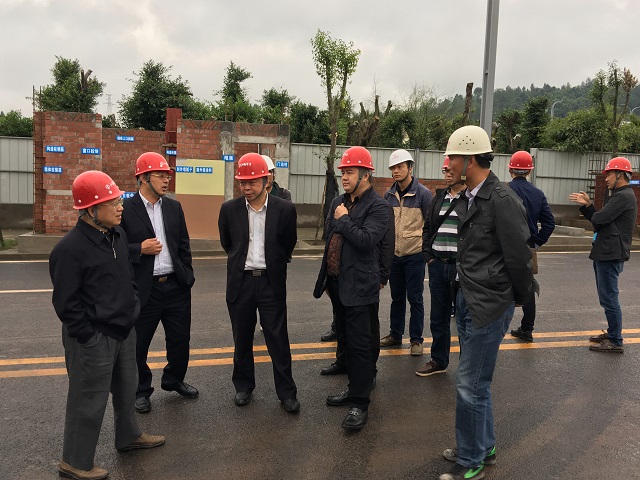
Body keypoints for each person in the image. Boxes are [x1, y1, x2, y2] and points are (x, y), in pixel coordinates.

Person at [50, 171, 164, 480]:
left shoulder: (117, 235)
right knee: (87, 400)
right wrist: (87, 336)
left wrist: (133, 307)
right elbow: (66, 304)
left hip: (124, 330)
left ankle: (128, 436)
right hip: (93, 337)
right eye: (112, 202)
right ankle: (74, 462)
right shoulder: (69, 249)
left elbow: (129, 278)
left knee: (127, 389)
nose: (120, 207)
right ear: (90, 209)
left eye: (118, 200)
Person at [438, 126, 532, 480]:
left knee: (469, 385)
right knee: (477, 381)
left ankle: (471, 458)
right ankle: (483, 445)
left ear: (470, 159)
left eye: (453, 157)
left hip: (489, 304)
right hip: (467, 297)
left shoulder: (502, 199)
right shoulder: (469, 196)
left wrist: (514, 300)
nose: (448, 163)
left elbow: (519, 257)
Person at [313, 146, 392, 431]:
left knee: (361, 345)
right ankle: (353, 387)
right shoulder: (339, 201)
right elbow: (330, 236)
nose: (344, 177)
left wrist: (344, 219)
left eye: (349, 172)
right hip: (338, 284)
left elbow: (367, 240)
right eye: (343, 172)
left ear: (365, 174)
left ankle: (360, 403)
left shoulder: (379, 207)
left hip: (360, 285)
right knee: (346, 339)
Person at [218, 153, 300, 413]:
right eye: (242, 182)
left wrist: (272, 263)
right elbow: (228, 243)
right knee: (242, 338)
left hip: (270, 282)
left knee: (278, 339)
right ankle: (243, 386)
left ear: (266, 181)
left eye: (252, 182)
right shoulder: (229, 210)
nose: (246, 187)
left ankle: (287, 393)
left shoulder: (284, 209)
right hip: (240, 282)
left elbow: (288, 243)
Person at [120, 152, 197, 414]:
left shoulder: (174, 207)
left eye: (167, 176)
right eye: (160, 176)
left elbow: (183, 245)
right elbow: (114, 247)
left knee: (180, 340)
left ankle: (174, 379)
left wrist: (187, 274)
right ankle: (141, 390)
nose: (166, 180)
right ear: (143, 178)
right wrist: (138, 249)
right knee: (138, 344)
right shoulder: (125, 209)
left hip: (175, 286)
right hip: (145, 289)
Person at [569, 157, 637, 353]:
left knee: (609, 297)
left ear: (621, 175)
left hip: (610, 253)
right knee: (606, 296)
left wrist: (590, 207)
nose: (606, 178)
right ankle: (612, 332)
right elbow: (599, 221)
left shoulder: (623, 196)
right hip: (607, 251)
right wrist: (588, 206)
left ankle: (615, 341)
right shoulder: (619, 195)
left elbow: (598, 220)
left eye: (609, 174)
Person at [416, 156, 466, 377]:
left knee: (464, 320)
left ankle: (467, 366)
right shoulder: (439, 198)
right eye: (445, 170)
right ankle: (438, 360)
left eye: (451, 170)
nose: (447, 174)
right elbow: (427, 228)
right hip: (438, 265)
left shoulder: (471, 199)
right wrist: (428, 255)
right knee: (438, 317)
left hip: (461, 268)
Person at [380, 149, 433, 355]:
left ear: (410, 168)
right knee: (397, 298)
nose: (396, 171)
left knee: (415, 299)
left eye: (400, 167)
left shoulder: (423, 194)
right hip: (394, 256)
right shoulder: (388, 195)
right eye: (393, 167)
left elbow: (430, 226)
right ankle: (395, 334)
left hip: (415, 255)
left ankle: (416, 340)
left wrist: (426, 252)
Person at [507, 151, 556, 342]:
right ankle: (527, 329)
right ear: (529, 171)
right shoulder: (538, 194)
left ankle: (497, 327)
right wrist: (536, 242)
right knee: (527, 285)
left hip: (505, 245)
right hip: (527, 247)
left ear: (510, 169)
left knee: (501, 284)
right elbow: (549, 223)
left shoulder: (503, 190)